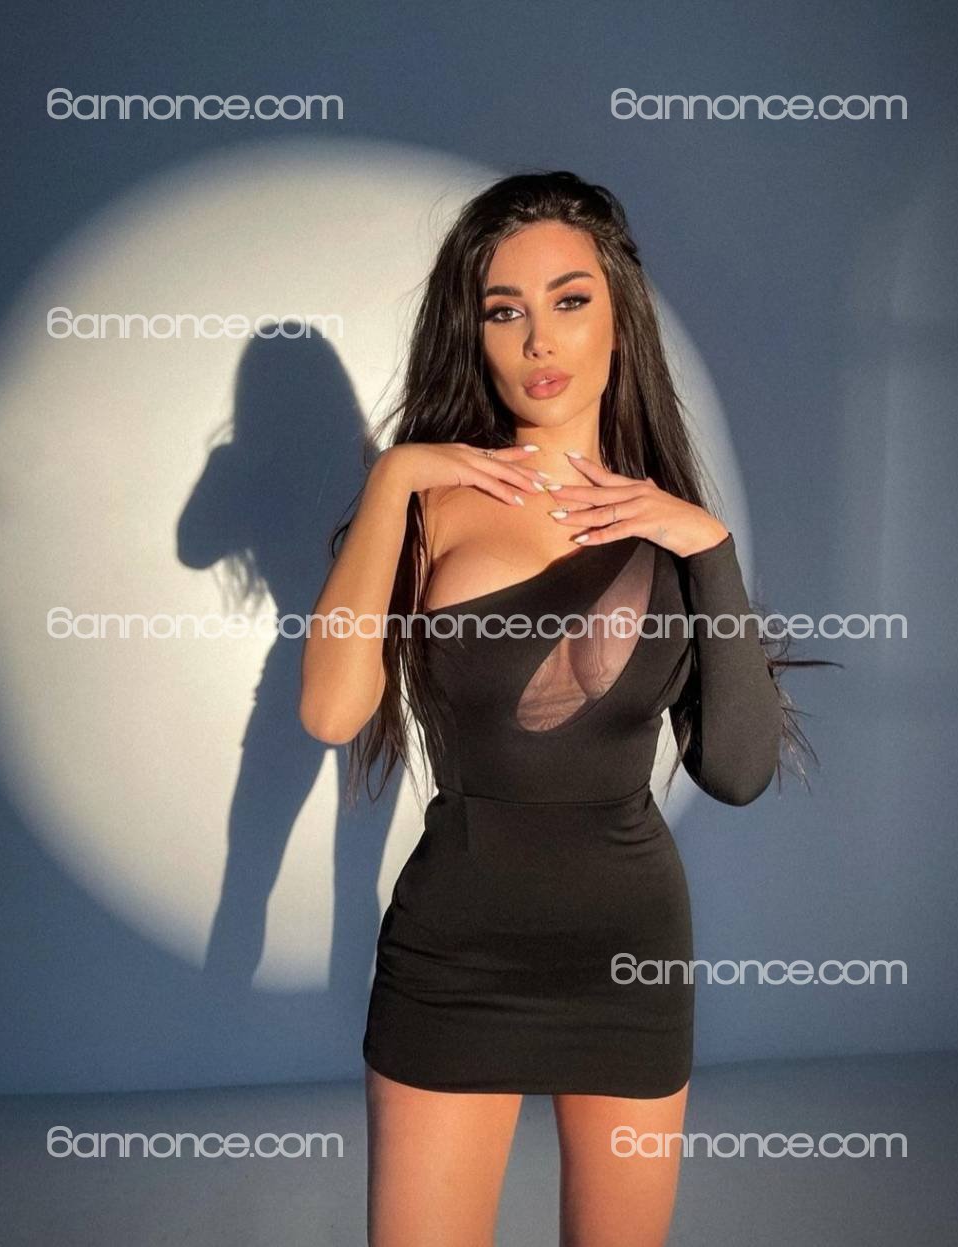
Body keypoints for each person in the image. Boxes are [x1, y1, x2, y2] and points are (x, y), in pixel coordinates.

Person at [300, 170, 832, 1247]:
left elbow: (735, 772)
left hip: (628, 956)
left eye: (569, 300)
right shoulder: (430, 502)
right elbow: (332, 712)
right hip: (453, 954)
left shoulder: (670, 527)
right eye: (505, 310)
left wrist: (710, 550)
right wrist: (394, 479)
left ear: (617, 316)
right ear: (474, 334)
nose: (539, 338)